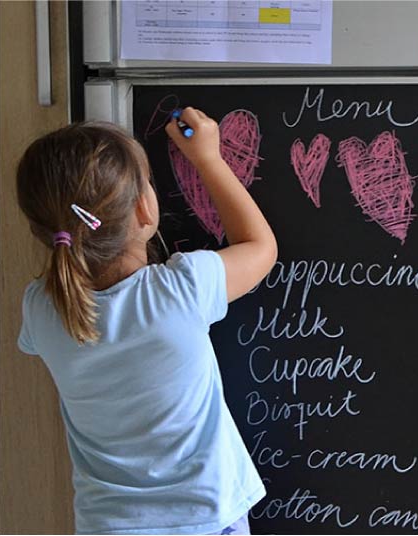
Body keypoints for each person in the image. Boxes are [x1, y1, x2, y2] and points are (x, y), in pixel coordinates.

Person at [15, 107, 277, 534]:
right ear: (143, 211)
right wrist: (208, 159)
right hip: (206, 519)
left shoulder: (42, 309)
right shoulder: (181, 290)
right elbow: (259, 246)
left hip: (108, 525)